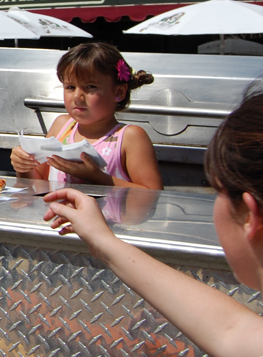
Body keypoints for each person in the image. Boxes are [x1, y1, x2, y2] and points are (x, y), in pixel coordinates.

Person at [42, 85, 263, 356]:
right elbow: (233, 329)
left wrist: (102, 238)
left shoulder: (130, 135)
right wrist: (101, 240)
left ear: (249, 217)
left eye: (216, 190)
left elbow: (233, 329)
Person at [10, 42, 163, 189]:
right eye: (70, 87)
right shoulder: (62, 126)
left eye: (90, 87)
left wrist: (98, 177)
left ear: (119, 92)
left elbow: (152, 195)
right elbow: (38, 186)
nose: (77, 96)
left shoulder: (130, 137)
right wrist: (24, 165)